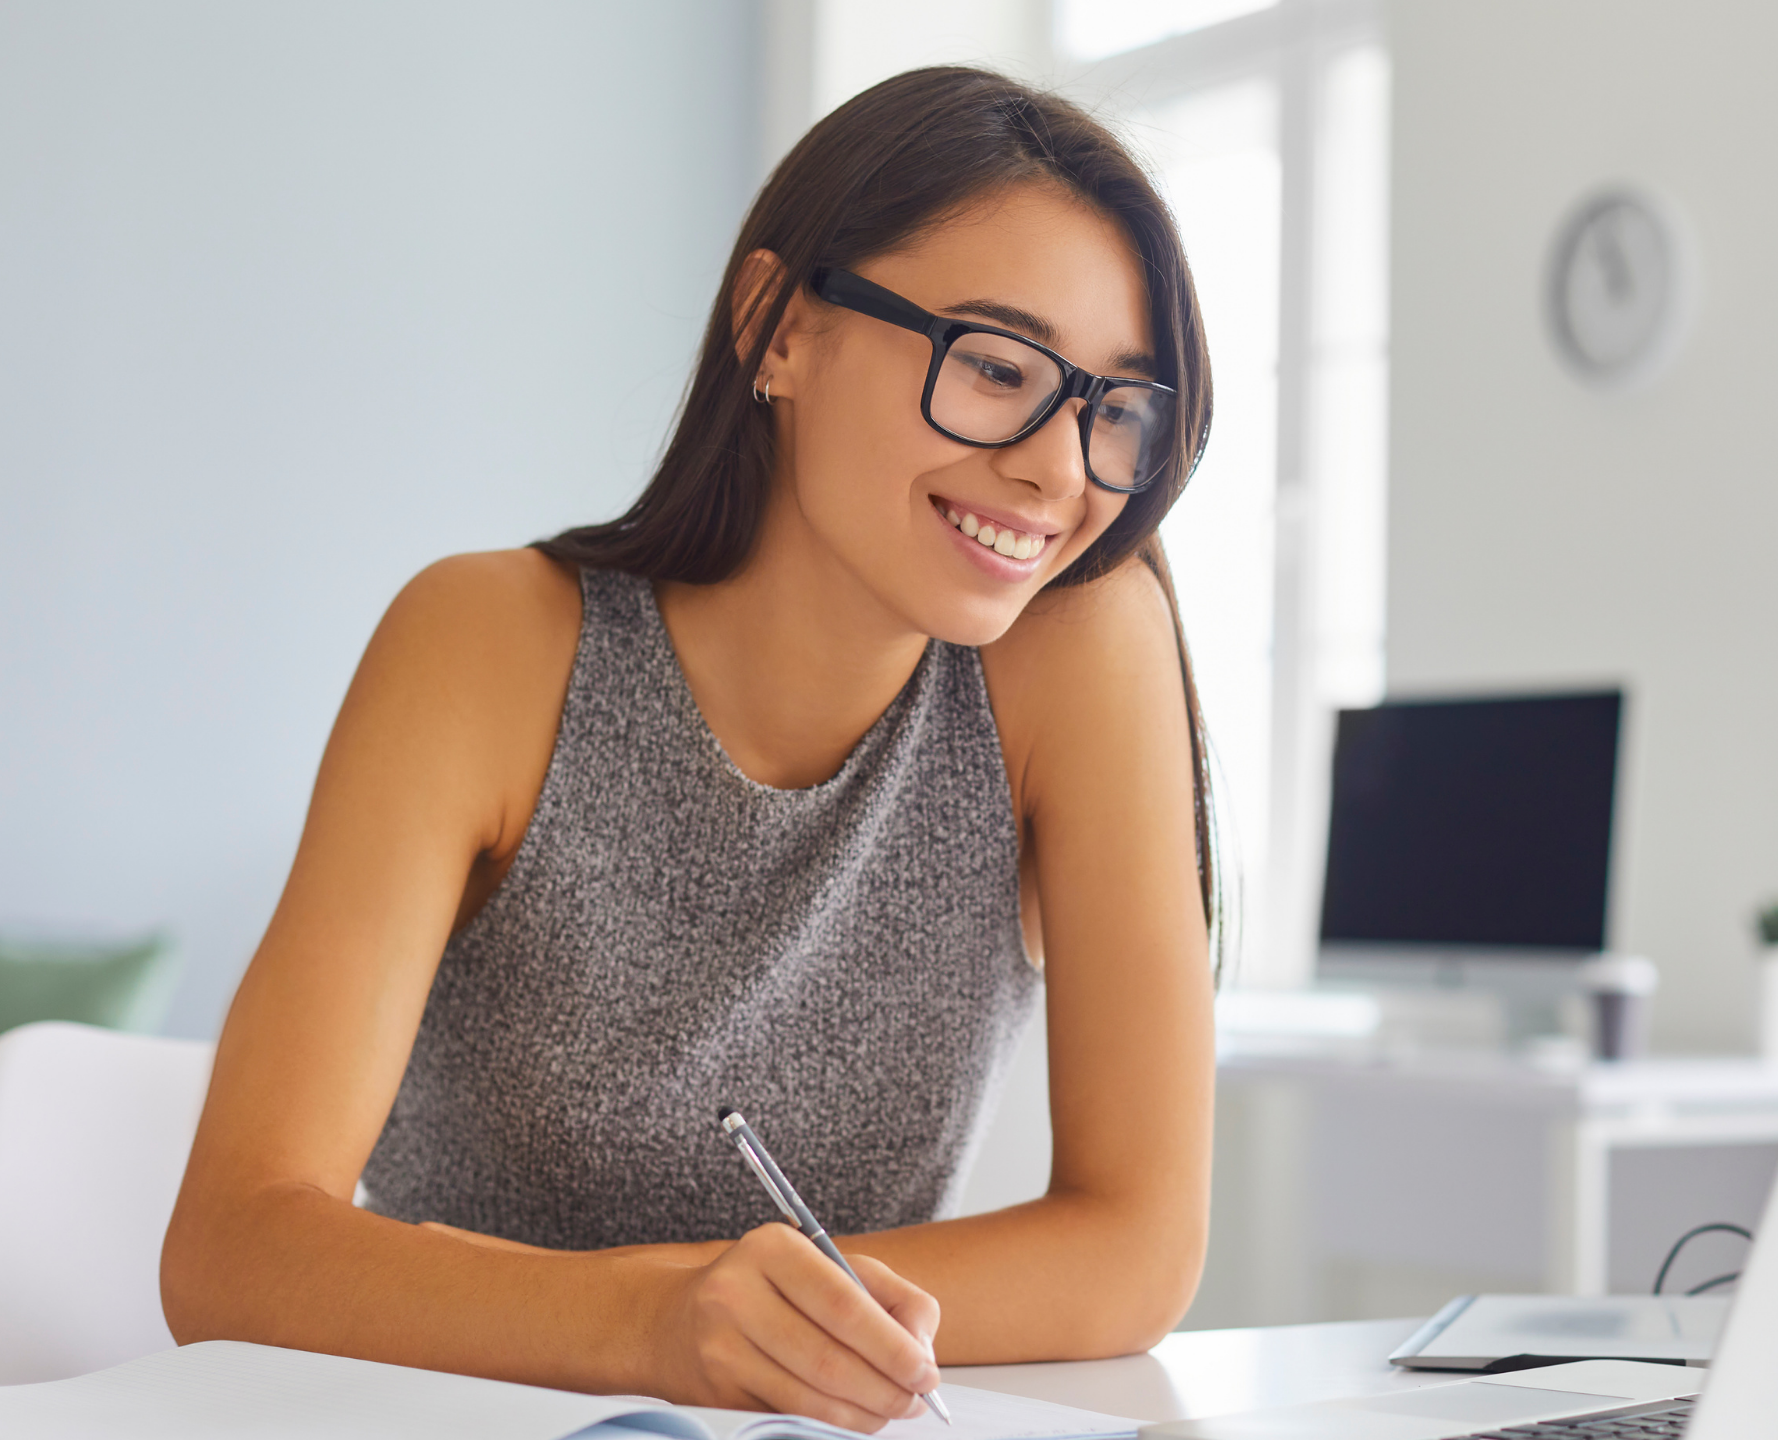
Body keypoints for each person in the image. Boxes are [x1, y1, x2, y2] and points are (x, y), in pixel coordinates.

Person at [161, 67, 1218, 1433]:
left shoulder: (1079, 649)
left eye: (1111, 408)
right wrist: (653, 1324)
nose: (1058, 471)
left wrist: (743, 1329)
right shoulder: (484, 645)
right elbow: (236, 1246)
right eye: (998, 368)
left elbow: (1137, 1247)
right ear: (778, 327)